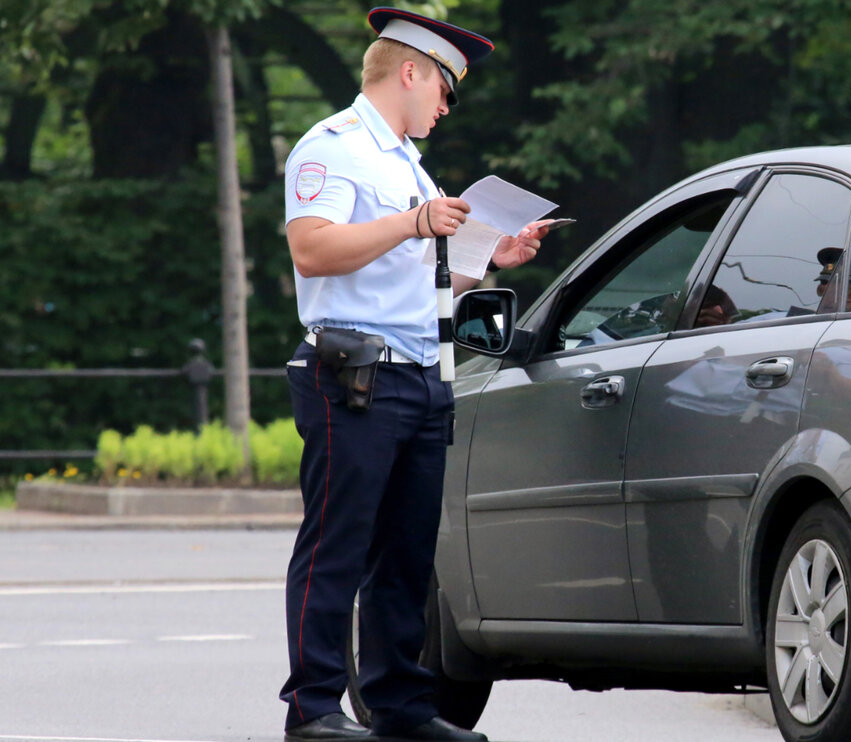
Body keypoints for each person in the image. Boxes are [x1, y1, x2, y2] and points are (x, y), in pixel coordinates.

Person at [279, 9, 551, 742]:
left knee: (405, 555)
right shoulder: (333, 148)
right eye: (444, 90)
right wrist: (414, 221)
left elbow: (418, 286)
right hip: (354, 375)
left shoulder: (407, 165)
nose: (445, 106)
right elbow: (313, 250)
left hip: (421, 375)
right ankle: (312, 710)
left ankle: (399, 707)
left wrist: (488, 261)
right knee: (338, 545)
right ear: (411, 72)